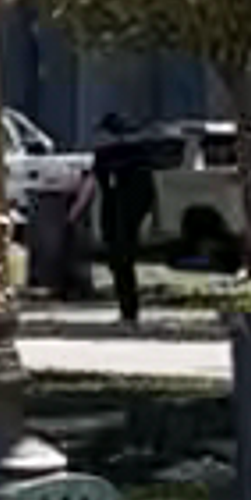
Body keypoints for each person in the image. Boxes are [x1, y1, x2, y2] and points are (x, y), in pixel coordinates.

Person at [91, 112, 160, 339]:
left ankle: (129, 313)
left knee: (122, 263)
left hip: (123, 218)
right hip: (120, 217)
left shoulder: (120, 157)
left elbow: (99, 186)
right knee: (120, 264)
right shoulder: (137, 155)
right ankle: (128, 313)